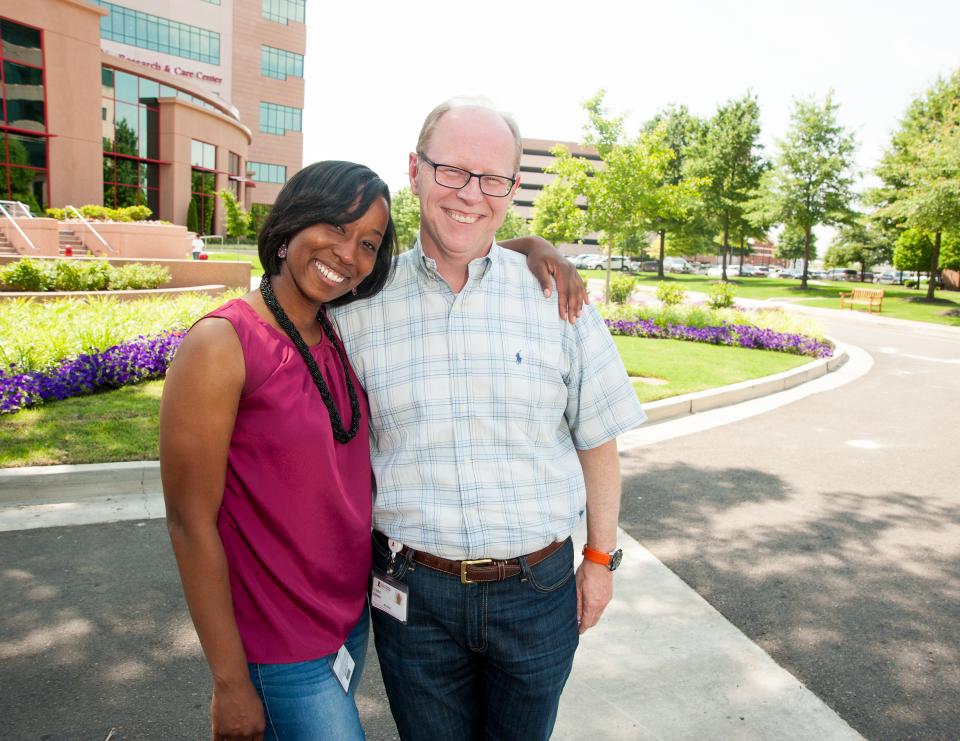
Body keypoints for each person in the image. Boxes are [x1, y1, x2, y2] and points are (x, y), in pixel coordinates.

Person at [160, 158, 587, 741]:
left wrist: (531, 244)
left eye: (367, 243)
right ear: (291, 224)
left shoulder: (334, 325)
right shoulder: (223, 342)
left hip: (348, 620)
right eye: (335, 228)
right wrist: (230, 683)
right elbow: (189, 522)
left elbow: (444, 261)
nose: (347, 254)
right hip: (277, 640)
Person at [331, 99, 647, 740]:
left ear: (512, 188)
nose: (472, 195)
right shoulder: (354, 306)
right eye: (452, 171)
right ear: (415, 170)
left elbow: (599, 439)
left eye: (493, 179)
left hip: (540, 592)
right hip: (412, 598)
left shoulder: (556, 295)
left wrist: (599, 560)